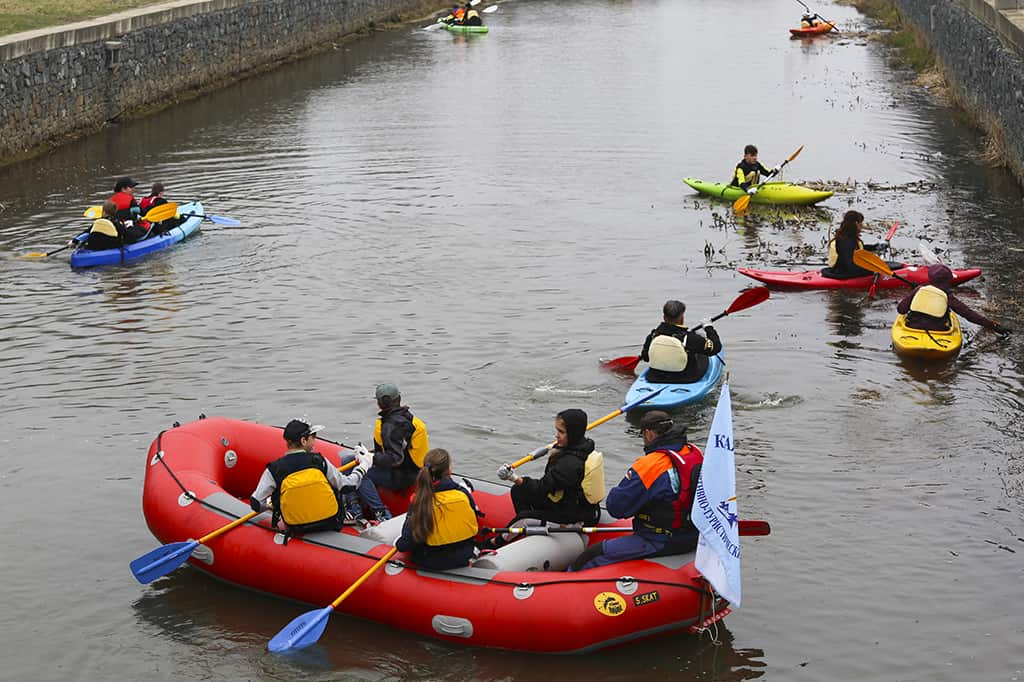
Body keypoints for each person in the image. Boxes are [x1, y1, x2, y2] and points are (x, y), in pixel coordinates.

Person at [570, 411, 703, 571]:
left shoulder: (651, 465)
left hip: (660, 538)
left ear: (648, 433)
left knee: (591, 556)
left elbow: (616, 508)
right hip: (693, 534)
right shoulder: (693, 452)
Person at [249, 419, 373, 534]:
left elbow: (256, 503)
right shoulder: (319, 461)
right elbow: (347, 486)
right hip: (329, 522)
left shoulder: (274, 469)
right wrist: (363, 467)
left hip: (295, 527)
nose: (315, 440)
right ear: (303, 441)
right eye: (313, 436)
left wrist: (273, 507)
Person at [497, 409, 602, 525]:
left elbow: (541, 489)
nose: (556, 435)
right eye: (557, 430)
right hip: (572, 503)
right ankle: (533, 528)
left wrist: (513, 478)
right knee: (518, 490)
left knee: (523, 516)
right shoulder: (585, 447)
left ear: (573, 433)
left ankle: (496, 541)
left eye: (561, 432)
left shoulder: (570, 464)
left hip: (570, 514)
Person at [395, 449, 482, 569]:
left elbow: (404, 544)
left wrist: (397, 544)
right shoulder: (463, 493)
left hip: (431, 561)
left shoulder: (419, 500)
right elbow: (473, 522)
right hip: (464, 556)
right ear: (449, 471)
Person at [367, 383, 430, 518]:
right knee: (349, 459)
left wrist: (371, 459)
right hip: (413, 470)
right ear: (399, 399)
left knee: (362, 475)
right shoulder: (406, 417)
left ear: (379, 403)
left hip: (403, 476)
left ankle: (380, 512)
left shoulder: (390, 425)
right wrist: (370, 453)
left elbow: (396, 458)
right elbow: (401, 446)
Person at [896, 263, 1012, 335]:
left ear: (930, 277)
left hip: (912, 328)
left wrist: (914, 292)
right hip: (939, 332)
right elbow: (969, 315)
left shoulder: (919, 289)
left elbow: (901, 310)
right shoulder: (948, 297)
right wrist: (993, 326)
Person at [639, 300, 722, 383]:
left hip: (654, 377)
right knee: (702, 353)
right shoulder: (689, 338)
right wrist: (708, 328)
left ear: (664, 317)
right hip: (685, 378)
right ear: (682, 318)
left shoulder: (654, 335)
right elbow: (716, 347)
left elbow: (646, 357)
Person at [820, 210, 888, 280]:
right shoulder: (846, 242)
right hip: (842, 273)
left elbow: (857, 250)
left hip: (842, 269)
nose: (862, 226)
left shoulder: (846, 237)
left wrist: (876, 247)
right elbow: (850, 266)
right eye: (861, 223)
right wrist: (872, 270)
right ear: (856, 223)